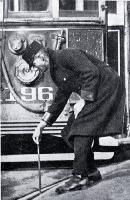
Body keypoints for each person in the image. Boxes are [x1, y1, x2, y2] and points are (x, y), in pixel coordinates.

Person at [22, 41, 126, 194]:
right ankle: (91, 172)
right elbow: (61, 97)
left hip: (106, 88)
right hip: (94, 92)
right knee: (68, 133)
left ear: (41, 56)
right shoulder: (55, 71)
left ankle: (79, 176)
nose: (36, 68)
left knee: (80, 130)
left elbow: (92, 73)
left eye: (34, 64)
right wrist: (42, 125)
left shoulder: (66, 55)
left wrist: (83, 100)